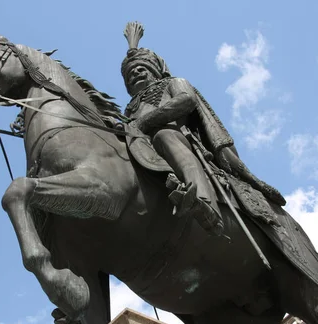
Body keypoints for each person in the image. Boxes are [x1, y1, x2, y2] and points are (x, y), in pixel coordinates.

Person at [121, 22, 285, 235]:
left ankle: (205, 203)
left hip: (177, 138)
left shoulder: (173, 83)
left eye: (141, 68)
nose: (135, 74)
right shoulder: (130, 108)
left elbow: (186, 100)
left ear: (154, 70)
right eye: (130, 73)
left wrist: (145, 122)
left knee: (164, 135)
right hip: (142, 148)